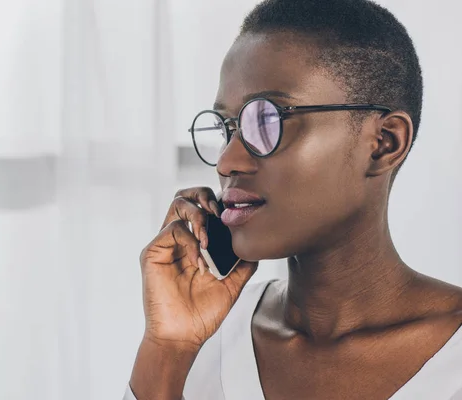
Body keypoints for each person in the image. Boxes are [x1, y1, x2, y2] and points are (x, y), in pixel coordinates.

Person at [124, 0, 462, 398]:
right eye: (228, 127)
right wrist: (167, 350)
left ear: (383, 144)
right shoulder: (202, 335)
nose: (228, 160)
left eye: (266, 121)